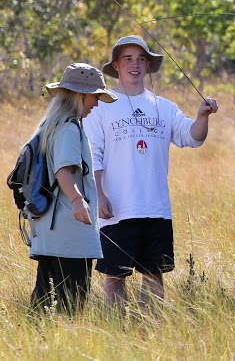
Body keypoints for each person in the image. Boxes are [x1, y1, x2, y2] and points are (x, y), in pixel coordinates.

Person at [84, 34, 219, 309]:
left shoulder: (164, 107)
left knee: (154, 275)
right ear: (116, 65)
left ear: (148, 66)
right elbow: (92, 154)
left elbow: (192, 137)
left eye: (141, 59)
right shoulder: (100, 108)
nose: (135, 65)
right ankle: (117, 329)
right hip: (117, 208)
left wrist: (202, 116)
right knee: (115, 275)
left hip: (156, 208)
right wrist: (99, 195)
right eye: (128, 59)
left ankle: (151, 331)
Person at [28, 63, 117, 313]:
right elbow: (63, 171)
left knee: (43, 303)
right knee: (72, 304)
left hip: (51, 230)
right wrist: (78, 201)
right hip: (69, 232)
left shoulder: (52, 125)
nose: (96, 104)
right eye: (94, 97)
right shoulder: (68, 128)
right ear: (79, 95)